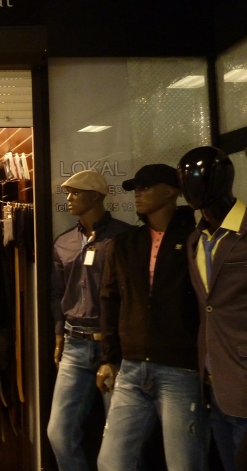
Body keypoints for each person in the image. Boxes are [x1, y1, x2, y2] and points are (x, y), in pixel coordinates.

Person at [96, 164, 205, 470]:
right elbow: (110, 300)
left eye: (146, 187)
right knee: (111, 462)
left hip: (179, 369)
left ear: (170, 191)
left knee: (184, 463)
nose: (138, 194)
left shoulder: (195, 240)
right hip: (132, 367)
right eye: (136, 188)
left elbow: (207, 304)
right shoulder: (125, 244)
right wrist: (109, 357)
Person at [47, 169, 132, 471]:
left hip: (114, 345)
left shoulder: (123, 237)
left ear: (95, 196)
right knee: (59, 432)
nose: (69, 198)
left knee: (118, 439)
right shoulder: (64, 242)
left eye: (76, 192)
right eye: (68, 193)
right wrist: (59, 334)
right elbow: (57, 292)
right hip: (75, 343)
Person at [179, 146, 247, 471]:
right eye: (186, 180)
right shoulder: (195, 240)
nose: (191, 187)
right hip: (211, 382)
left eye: (198, 178)